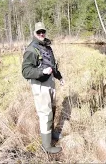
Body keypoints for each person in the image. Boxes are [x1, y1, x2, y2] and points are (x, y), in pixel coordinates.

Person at [22, 22, 64, 154]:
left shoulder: (47, 47)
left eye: (43, 32)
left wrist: (59, 77)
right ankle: (46, 146)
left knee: (52, 109)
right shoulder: (31, 49)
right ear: (34, 33)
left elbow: (52, 65)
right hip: (40, 86)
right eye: (39, 32)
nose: (41, 34)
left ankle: (51, 134)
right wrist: (41, 72)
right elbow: (25, 71)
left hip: (50, 83)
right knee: (45, 114)